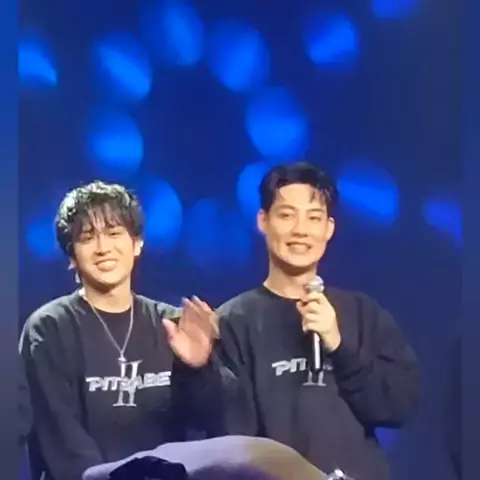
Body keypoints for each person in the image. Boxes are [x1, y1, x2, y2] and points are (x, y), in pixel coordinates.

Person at [185, 162, 420, 480]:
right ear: (263, 221)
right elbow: (229, 437)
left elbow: (399, 406)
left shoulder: (363, 313)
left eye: (314, 218)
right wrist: (199, 370)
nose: (301, 230)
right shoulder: (234, 322)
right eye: (287, 215)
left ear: (329, 228)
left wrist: (340, 346)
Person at [19, 181, 219, 480]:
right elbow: (62, 439)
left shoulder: (171, 325)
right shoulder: (49, 329)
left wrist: (199, 369)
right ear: (72, 256)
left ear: (137, 243)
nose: (103, 248)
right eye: (88, 237)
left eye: (114, 233)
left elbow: (210, 424)